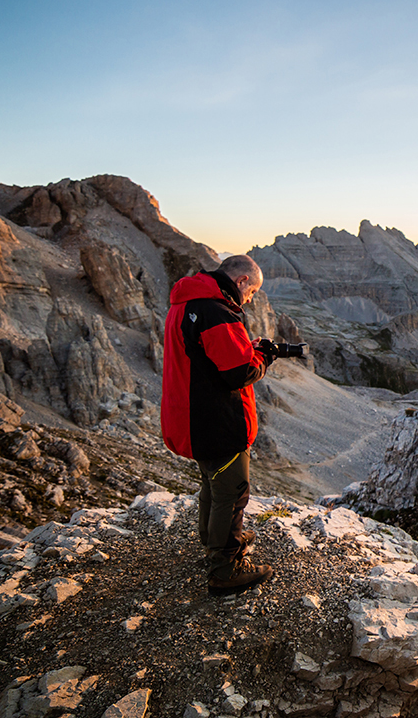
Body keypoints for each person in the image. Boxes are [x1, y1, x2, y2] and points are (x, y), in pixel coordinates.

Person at [161, 254, 277, 596]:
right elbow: (240, 373)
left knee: (212, 485)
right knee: (232, 491)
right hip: (217, 420)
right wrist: (263, 357)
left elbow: (210, 357)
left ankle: (214, 542)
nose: (251, 299)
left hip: (192, 416)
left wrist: (245, 348)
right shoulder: (217, 311)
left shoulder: (187, 302)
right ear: (241, 281)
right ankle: (226, 568)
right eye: (252, 292)